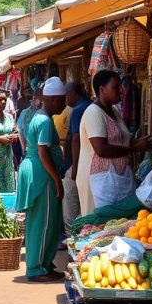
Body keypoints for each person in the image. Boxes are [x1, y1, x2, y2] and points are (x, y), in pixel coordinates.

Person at [75, 70, 152, 216]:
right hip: (99, 180)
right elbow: (102, 149)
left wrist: (138, 142)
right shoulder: (94, 113)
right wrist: (134, 148)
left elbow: (121, 140)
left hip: (117, 178)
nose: (121, 91)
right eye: (115, 87)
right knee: (102, 224)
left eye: (120, 86)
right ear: (101, 89)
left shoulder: (114, 111)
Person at [15, 77, 67, 282]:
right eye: (61, 100)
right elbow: (43, 152)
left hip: (38, 172)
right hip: (41, 175)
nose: (64, 104)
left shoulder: (40, 116)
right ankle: (35, 269)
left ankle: (45, 263)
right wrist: (57, 179)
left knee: (48, 221)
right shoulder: (44, 120)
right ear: (53, 99)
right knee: (43, 223)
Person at [63, 82, 92, 227]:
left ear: (74, 94)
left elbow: (76, 139)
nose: (65, 98)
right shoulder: (89, 105)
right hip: (88, 163)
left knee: (70, 202)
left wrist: (75, 166)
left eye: (66, 95)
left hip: (77, 163)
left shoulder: (78, 110)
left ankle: (71, 235)